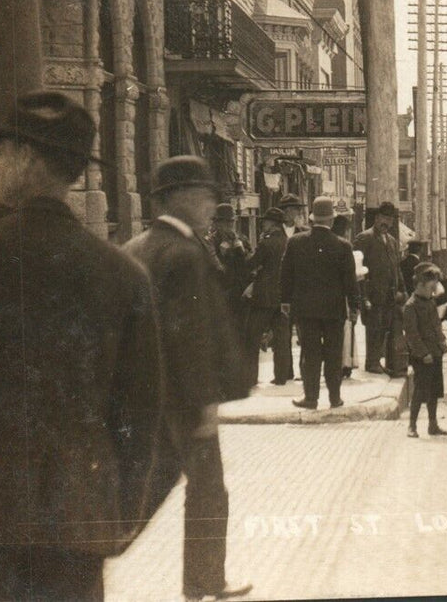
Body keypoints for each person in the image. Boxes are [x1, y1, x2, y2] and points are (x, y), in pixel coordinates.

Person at [0, 91, 165, 601]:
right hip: (77, 521)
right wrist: (118, 513)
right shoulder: (122, 274)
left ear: (27, 158)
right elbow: (142, 410)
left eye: (3, 152)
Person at [124, 156, 252, 602]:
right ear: (175, 199)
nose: (210, 206)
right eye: (202, 196)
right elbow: (191, 336)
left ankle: (200, 580)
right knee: (207, 492)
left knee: (144, 486)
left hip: (147, 395)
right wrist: (205, 405)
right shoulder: (185, 252)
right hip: (184, 400)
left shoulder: (138, 246)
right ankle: (204, 582)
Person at [280, 196, 360, 410]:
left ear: (312, 219)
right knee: (334, 355)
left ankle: (311, 398)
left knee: (310, 354)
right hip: (334, 310)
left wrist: (285, 302)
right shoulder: (343, 246)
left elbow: (286, 275)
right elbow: (350, 281)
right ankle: (335, 398)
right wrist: (354, 307)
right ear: (332, 221)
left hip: (305, 310)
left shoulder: (295, 242)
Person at [355, 202, 408, 378]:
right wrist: (363, 295)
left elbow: (397, 268)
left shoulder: (392, 241)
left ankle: (377, 360)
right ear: (376, 219)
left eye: (390, 220)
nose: (386, 223)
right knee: (373, 328)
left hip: (390, 294)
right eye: (383, 218)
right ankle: (371, 362)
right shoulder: (365, 238)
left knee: (384, 327)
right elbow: (357, 268)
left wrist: (403, 289)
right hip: (373, 293)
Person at [404, 262, 447, 437]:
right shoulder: (411, 306)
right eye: (432, 285)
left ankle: (433, 425)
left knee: (434, 391)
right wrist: (423, 353)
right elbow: (412, 335)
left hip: (435, 352)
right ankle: (412, 426)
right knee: (419, 391)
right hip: (422, 356)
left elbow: (436, 326)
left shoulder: (430, 302)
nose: (434, 290)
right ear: (420, 285)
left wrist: (442, 342)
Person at [246, 208, 293, 385]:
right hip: (282, 297)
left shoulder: (266, 243)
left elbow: (252, 263)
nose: (263, 225)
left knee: (252, 337)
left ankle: (250, 378)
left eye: (265, 222)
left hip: (263, 297)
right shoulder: (288, 242)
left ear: (272, 224)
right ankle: (281, 377)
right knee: (281, 339)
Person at [207, 202, 253, 362]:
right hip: (221, 291)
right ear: (217, 224)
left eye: (232, 222)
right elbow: (213, 266)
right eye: (226, 222)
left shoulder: (242, 239)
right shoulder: (211, 241)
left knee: (242, 330)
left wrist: (242, 252)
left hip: (240, 292)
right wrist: (224, 254)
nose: (230, 226)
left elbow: (251, 264)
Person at [333, 213, 360, 379]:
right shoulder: (344, 246)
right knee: (346, 330)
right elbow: (351, 277)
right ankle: (345, 364)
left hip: (334, 297)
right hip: (343, 297)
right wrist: (355, 302)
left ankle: (341, 364)